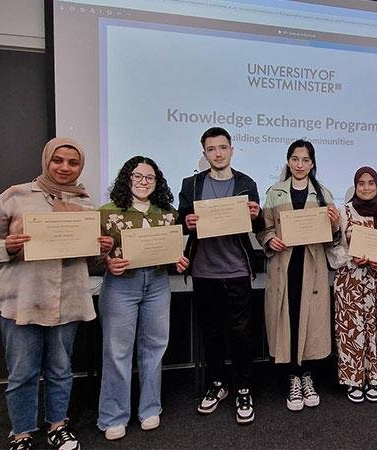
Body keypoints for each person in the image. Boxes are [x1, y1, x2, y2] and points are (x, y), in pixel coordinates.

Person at [0, 137, 113, 450]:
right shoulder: (15, 196)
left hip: (68, 301)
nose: (65, 167)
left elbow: (90, 259)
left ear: (80, 166)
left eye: (73, 162)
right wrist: (7, 246)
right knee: (22, 372)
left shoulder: (85, 202)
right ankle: (21, 433)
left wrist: (101, 248)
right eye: (58, 160)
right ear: (47, 160)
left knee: (61, 369)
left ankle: (57, 426)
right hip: (23, 300)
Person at [96, 156, 189, 440]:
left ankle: (149, 408)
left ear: (157, 182)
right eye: (137, 176)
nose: (143, 182)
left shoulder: (168, 213)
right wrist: (106, 261)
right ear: (127, 178)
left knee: (155, 347)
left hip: (158, 283)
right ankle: (113, 416)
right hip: (121, 285)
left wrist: (178, 261)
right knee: (117, 351)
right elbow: (90, 253)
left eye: (150, 177)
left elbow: (170, 251)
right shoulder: (106, 212)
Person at [178, 127, 264, 425]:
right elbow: (181, 219)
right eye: (211, 149)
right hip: (204, 271)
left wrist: (256, 215)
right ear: (204, 153)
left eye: (223, 147)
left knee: (241, 334)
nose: (218, 153)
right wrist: (187, 221)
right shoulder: (191, 184)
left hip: (237, 269)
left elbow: (257, 223)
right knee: (211, 333)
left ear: (231, 150)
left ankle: (243, 388)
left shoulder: (246, 183)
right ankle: (217, 384)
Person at [256, 139, 340, 411]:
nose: (300, 165)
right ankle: (292, 376)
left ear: (312, 163)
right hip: (284, 267)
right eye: (295, 159)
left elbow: (333, 238)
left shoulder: (323, 193)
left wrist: (335, 225)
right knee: (288, 320)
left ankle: (307, 376)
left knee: (310, 323)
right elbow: (264, 228)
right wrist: (270, 239)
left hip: (312, 269)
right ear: (288, 161)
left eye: (305, 160)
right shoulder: (275, 192)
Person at [330, 167, 377, 403]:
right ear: (355, 186)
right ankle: (354, 380)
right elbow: (333, 247)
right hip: (350, 283)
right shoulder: (344, 212)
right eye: (361, 183)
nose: (366, 187)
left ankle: (374, 378)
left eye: (371, 183)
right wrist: (351, 258)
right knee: (352, 330)